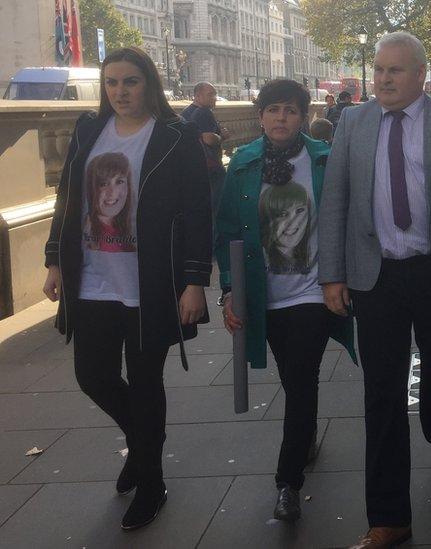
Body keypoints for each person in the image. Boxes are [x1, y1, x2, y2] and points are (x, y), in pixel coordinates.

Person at [319, 31, 431, 549]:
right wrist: (332, 274)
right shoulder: (351, 123)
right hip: (375, 276)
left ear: (420, 75)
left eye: (394, 71)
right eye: (378, 70)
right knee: (382, 394)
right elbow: (335, 202)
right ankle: (389, 517)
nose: (383, 79)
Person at [42, 46, 211, 531]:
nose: (120, 91)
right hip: (92, 279)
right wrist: (54, 260)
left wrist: (195, 281)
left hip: (149, 284)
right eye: (112, 82)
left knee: (144, 382)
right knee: (93, 376)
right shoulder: (88, 131)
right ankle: (143, 447)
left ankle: (152, 482)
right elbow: (67, 200)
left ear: (149, 84)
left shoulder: (175, 138)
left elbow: (199, 213)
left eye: (130, 81)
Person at [215, 79, 356, 523]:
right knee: (294, 381)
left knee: (301, 379)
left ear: (302, 116)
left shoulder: (324, 159)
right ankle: (307, 433)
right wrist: (227, 291)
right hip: (263, 297)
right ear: (260, 115)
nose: (281, 118)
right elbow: (227, 233)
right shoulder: (241, 164)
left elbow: (344, 221)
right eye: (273, 109)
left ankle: (287, 483)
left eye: (291, 110)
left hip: (313, 293)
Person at [181, 82, 229, 218]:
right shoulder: (203, 112)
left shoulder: (186, 113)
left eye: (215, 94)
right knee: (217, 208)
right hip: (211, 167)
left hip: (193, 167)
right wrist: (222, 136)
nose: (214, 98)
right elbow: (207, 138)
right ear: (197, 96)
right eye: (210, 95)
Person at [82, 152, 136, 252]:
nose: (112, 192)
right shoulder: (88, 232)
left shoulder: (124, 228)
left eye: (119, 182)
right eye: (103, 184)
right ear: (91, 189)